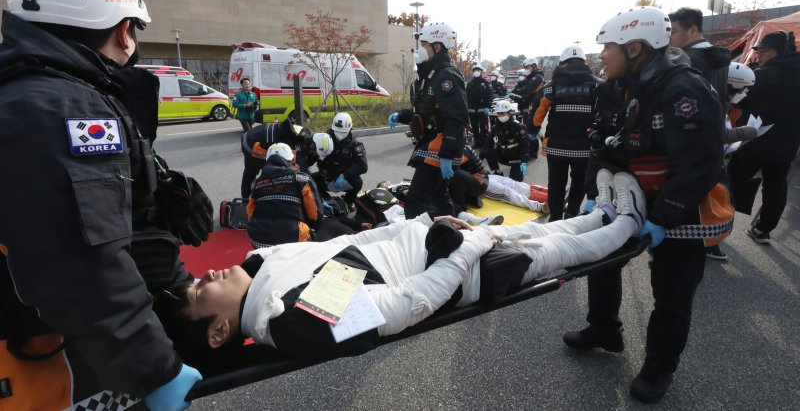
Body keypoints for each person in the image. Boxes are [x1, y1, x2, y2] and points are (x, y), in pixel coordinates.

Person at [155, 171, 646, 364]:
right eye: (200, 293)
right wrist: (468, 249)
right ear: (219, 331)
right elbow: (413, 302)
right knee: (555, 249)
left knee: (544, 229)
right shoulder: (295, 317)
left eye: (195, 280)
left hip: (440, 241)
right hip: (467, 271)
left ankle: (599, 213)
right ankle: (626, 223)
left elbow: (353, 243)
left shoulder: (261, 263)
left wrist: (430, 220)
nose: (205, 276)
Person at [0, 0, 200, 410]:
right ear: (123, 29)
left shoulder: (30, 96)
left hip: (64, 335)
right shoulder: (63, 108)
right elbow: (79, 259)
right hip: (45, 356)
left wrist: (177, 288)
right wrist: (154, 369)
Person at [564, 6, 732, 404]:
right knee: (601, 263)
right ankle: (604, 328)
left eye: (608, 47)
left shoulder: (683, 89)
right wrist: (594, 193)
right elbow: (602, 145)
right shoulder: (618, 87)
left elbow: (699, 165)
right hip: (633, 194)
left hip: (685, 204)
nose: (601, 56)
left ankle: (659, 365)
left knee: (671, 292)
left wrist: (662, 218)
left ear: (634, 47)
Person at [668, 7, 732, 260]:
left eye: (673, 32)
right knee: (708, 188)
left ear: (693, 30)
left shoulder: (690, 60)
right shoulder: (719, 58)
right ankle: (709, 240)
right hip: (714, 132)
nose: (670, 38)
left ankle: (693, 246)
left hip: (691, 136)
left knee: (689, 195)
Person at [388, 23, 469, 219]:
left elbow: (456, 117)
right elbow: (424, 110)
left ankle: (423, 242)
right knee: (440, 197)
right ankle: (450, 237)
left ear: (437, 47)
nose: (420, 50)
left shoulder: (446, 76)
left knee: (415, 201)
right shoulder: (429, 77)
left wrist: (447, 155)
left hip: (439, 146)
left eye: (424, 45)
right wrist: (402, 115)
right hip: (431, 144)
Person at [727, 31, 800, 245]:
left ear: (777, 52)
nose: (757, 55)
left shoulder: (764, 74)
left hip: (753, 138)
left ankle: (716, 227)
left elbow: (738, 100)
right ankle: (762, 230)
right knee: (776, 185)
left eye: (762, 51)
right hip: (786, 143)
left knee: (732, 181)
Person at [532, 46, 600, 221]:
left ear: (562, 63)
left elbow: (536, 116)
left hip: (556, 147)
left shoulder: (550, 88)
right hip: (585, 147)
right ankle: (571, 214)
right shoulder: (597, 85)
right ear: (584, 63)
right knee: (579, 182)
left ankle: (555, 219)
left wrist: (533, 130)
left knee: (556, 184)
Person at [245, 143, 326, 247]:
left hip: (259, 239)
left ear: (267, 160)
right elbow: (315, 215)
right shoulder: (302, 179)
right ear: (291, 160)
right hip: (293, 237)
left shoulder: (256, 183)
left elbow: (249, 213)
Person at [451, 145, 548, 225]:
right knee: (507, 192)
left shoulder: (459, 148)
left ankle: (548, 195)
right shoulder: (458, 145)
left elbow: (454, 164)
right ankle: (538, 206)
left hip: (483, 177)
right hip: (479, 179)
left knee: (515, 184)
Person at [669, 7, 730, 111]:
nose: (668, 37)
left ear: (692, 31)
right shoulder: (718, 56)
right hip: (716, 122)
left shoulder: (686, 59)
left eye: (673, 32)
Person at [240, 114, 312, 198]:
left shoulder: (305, 135)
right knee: (261, 170)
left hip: (264, 134)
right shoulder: (299, 147)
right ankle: (246, 198)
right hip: (251, 141)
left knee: (278, 167)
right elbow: (304, 173)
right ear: (312, 146)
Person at [313, 112, 368, 208]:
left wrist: (344, 175)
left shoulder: (355, 145)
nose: (340, 135)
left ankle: (346, 204)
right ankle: (325, 200)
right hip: (325, 177)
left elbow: (363, 166)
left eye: (343, 132)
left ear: (350, 129)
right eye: (337, 131)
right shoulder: (324, 139)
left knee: (358, 182)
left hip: (343, 179)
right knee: (309, 180)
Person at [481, 100, 530, 182]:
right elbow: (487, 144)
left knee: (515, 182)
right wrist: (478, 160)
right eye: (499, 114)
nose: (500, 116)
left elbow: (525, 145)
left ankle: (518, 170)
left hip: (515, 158)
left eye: (503, 113)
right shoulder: (495, 127)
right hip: (503, 155)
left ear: (509, 113)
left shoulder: (519, 127)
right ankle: (497, 171)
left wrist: (524, 161)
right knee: (488, 151)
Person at [510, 57, 545, 156]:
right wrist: (512, 92)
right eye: (524, 67)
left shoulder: (538, 78)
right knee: (528, 129)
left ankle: (533, 152)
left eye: (527, 67)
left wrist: (516, 92)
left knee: (532, 130)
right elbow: (521, 87)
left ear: (534, 66)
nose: (526, 69)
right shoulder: (530, 78)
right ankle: (530, 150)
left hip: (535, 107)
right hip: (528, 106)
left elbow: (527, 90)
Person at [466, 63, 493, 148]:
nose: (476, 72)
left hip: (482, 110)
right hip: (472, 110)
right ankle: (477, 143)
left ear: (481, 71)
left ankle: (483, 144)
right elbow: (466, 96)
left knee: (483, 128)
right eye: (475, 70)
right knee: (474, 128)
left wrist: (488, 107)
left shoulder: (486, 83)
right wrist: (467, 107)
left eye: (478, 70)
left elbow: (489, 96)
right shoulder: (470, 84)